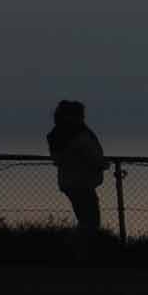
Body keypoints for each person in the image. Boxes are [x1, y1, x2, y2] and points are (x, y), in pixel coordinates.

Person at [47, 99, 106, 252]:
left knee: (85, 219)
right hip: (82, 182)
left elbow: (58, 159)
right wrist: (101, 164)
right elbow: (91, 156)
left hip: (69, 181)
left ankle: (78, 249)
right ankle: (77, 249)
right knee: (91, 221)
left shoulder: (57, 135)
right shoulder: (79, 135)